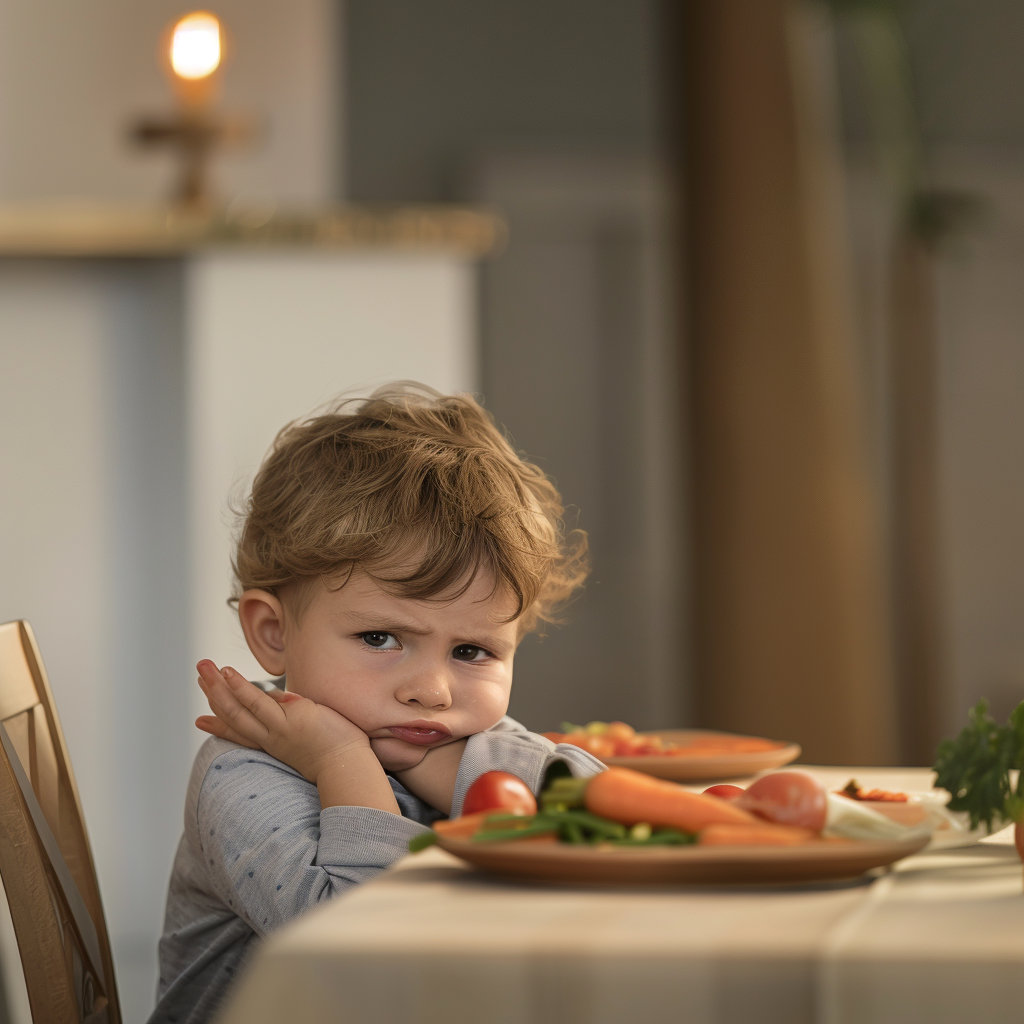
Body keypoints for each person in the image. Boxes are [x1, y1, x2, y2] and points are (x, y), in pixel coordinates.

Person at [148, 383, 603, 1024]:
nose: (433, 690)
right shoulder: (241, 776)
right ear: (273, 634)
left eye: (472, 651)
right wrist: (341, 759)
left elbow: (601, 815)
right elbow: (363, 956)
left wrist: (443, 772)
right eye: (381, 638)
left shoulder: (451, 738)